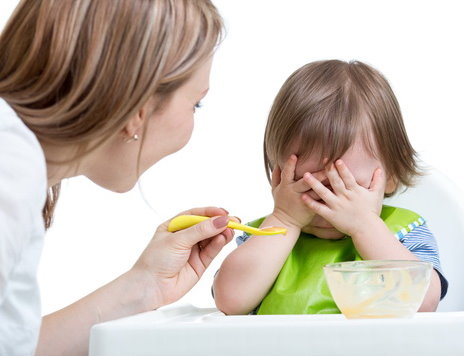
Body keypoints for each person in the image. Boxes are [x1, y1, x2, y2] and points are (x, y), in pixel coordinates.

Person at [0, 1, 235, 355]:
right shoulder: (10, 166)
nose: (192, 123)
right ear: (136, 111)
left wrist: (145, 287)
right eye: (195, 104)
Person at [213, 60, 448, 315]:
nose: (326, 205)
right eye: (307, 185)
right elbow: (230, 302)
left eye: (345, 187)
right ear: (278, 174)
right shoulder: (265, 235)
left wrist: (364, 225)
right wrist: (286, 220)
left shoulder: (405, 232)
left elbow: (423, 303)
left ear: (390, 175)